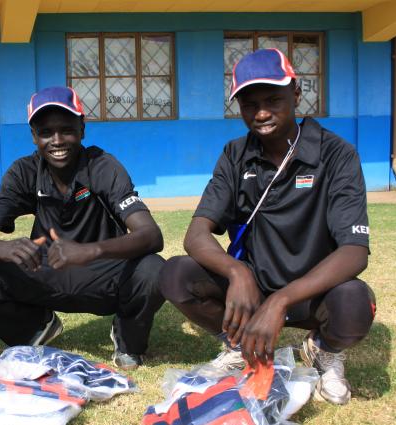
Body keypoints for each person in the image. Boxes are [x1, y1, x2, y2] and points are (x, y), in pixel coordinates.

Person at [159, 49, 376, 405]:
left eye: (273, 99)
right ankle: (240, 344)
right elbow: (196, 234)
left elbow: (354, 251)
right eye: (249, 104)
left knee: (355, 303)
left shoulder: (336, 153)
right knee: (175, 275)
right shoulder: (235, 154)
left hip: (310, 293)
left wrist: (282, 300)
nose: (261, 113)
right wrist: (238, 274)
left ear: (296, 93)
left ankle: (323, 349)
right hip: (251, 293)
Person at [0, 86, 165, 369]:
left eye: (66, 129)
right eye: (46, 132)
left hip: (101, 274)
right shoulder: (23, 172)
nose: (57, 140)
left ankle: (127, 337)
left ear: (82, 129)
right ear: (34, 136)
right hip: (44, 273)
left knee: (154, 269)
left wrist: (91, 250)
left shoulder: (102, 166)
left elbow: (151, 235)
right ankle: (35, 329)